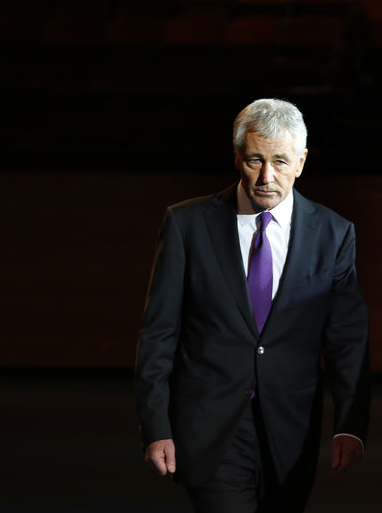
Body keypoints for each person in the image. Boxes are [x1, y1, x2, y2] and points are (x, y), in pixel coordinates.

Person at [135, 98, 370, 512]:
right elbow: (159, 333)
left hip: (291, 434)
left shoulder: (334, 234)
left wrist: (351, 426)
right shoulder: (187, 225)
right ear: (237, 157)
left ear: (301, 161)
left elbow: (347, 341)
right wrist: (155, 427)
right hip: (209, 430)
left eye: (280, 161)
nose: (266, 176)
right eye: (255, 160)